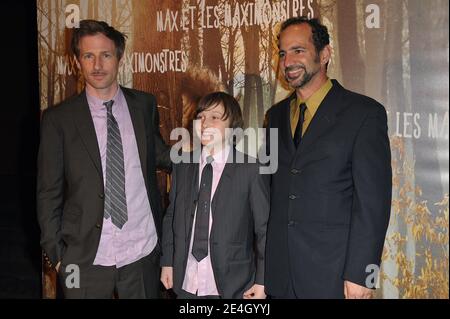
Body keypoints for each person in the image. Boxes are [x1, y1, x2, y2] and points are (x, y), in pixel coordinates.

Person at [37, 20, 171, 299]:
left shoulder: (143, 106)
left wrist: (211, 152)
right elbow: (48, 193)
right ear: (77, 61)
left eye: (105, 55)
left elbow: (160, 154)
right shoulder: (57, 120)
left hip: (142, 252)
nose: (97, 65)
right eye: (88, 55)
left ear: (119, 58)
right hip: (83, 260)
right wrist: (58, 256)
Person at [264, 17, 392, 299]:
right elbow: (269, 194)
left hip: (334, 278)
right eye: (283, 53)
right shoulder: (274, 117)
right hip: (279, 276)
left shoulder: (364, 114)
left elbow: (374, 205)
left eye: (298, 50)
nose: (287, 61)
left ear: (325, 54)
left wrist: (363, 274)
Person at [160, 92, 269, 299]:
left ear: (233, 127)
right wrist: (167, 261)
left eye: (215, 117)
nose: (205, 123)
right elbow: (170, 216)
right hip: (186, 280)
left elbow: (263, 230)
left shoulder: (251, 169)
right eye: (200, 117)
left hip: (233, 284)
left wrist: (262, 280)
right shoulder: (182, 166)